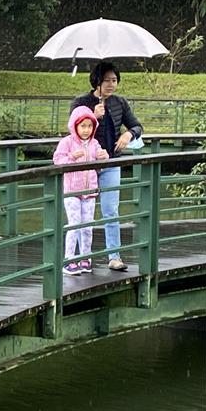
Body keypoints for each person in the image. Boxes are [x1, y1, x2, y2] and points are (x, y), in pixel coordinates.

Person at [70, 61, 144, 271]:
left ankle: (114, 256)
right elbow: (72, 130)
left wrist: (129, 134)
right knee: (84, 213)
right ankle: (79, 257)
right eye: (107, 80)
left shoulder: (120, 102)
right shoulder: (81, 102)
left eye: (114, 80)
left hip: (111, 163)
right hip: (86, 165)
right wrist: (93, 116)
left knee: (111, 210)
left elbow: (137, 126)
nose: (111, 84)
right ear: (96, 81)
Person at [53, 106, 109, 275]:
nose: (86, 130)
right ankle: (69, 260)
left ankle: (86, 258)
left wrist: (103, 156)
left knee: (87, 226)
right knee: (74, 224)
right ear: (75, 126)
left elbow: (101, 157)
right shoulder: (67, 142)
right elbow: (57, 159)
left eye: (89, 126)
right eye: (82, 126)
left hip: (90, 190)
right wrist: (71, 157)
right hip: (72, 191)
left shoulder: (94, 143)